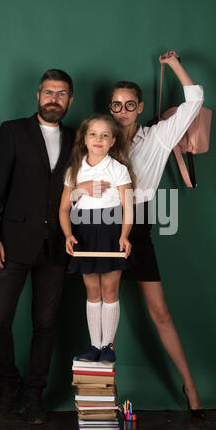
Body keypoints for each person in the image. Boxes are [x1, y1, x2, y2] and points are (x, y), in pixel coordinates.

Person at [75, 51, 206, 417]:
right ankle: (103, 401)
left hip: (138, 226)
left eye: (129, 104)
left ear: (140, 106)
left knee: (160, 313)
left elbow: (195, 99)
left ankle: (191, 387)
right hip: (99, 227)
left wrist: (175, 64)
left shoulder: (157, 137)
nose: (122, 111)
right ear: (109, 108)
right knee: (103, 316)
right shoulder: (100, 142)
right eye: (115, 105)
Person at [0, 69, 75, 424]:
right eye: (48, 92)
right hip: (11, 243)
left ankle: (35, 392)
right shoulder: (13, 131)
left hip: (56, 248)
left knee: (46, 325)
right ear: (38, 96)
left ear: (70, 100)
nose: (54, 98)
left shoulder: (77, 137)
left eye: (61, 93)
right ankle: (9, 381)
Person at [59, 115, 134, 363]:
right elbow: (63, 209)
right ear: (84, 138)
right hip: (84, 233)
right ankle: (94, 346)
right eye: (93, 134)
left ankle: (106, 347)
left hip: (112, 231)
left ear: (113, 141)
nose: (98, 139)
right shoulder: (74, 169)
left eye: (105, 135)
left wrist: (124, 236)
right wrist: (69, 234)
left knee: (110, 290)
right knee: (93, 291)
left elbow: (128, 208)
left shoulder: (119, 169)